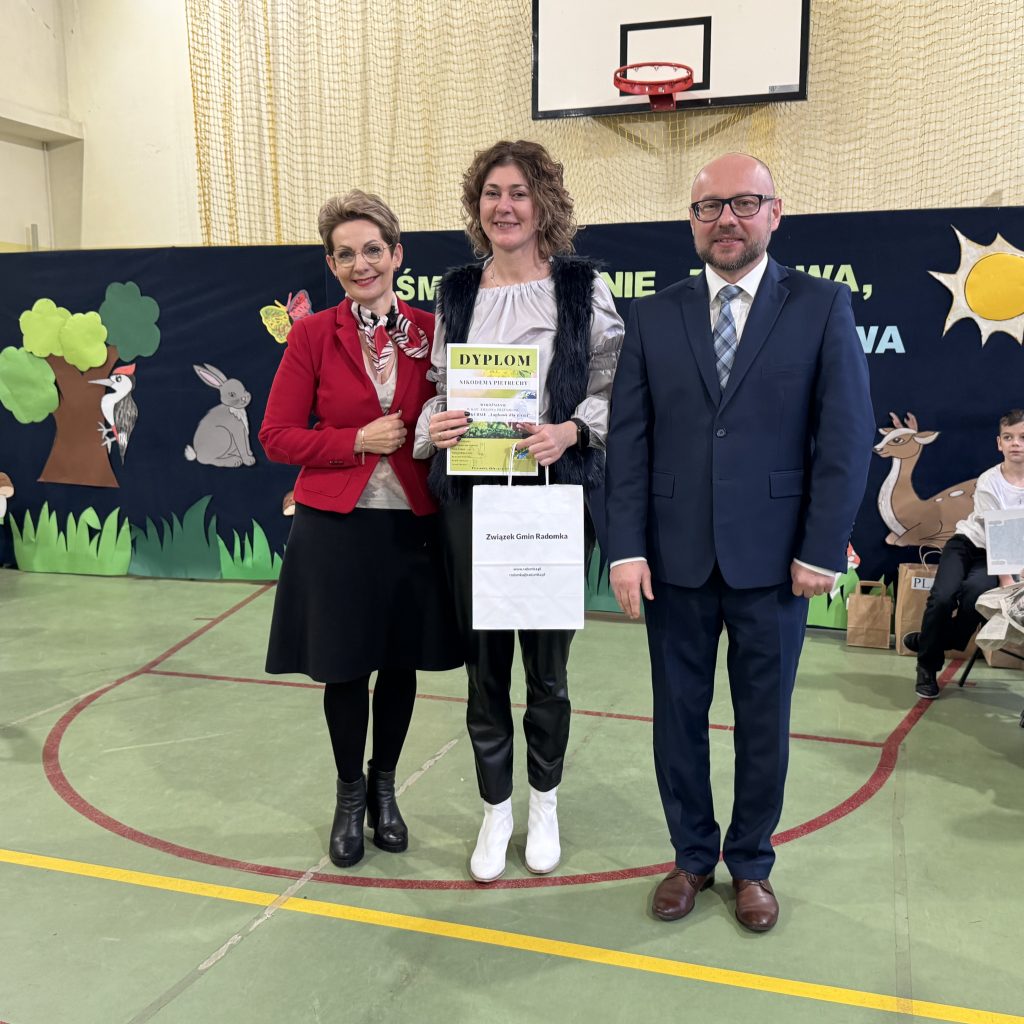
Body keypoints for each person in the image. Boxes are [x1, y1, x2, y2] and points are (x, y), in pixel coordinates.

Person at [605, 153, 874, 932]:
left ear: (774, 214)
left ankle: (751, 862)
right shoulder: (653, 316)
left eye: (744, 203)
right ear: (691, 221)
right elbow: (629, 442)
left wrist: (821, 548)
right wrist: (625, 548)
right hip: (674, 563)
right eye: (709, 207)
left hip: (777, 565)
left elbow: (845, 435)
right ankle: (691, 856)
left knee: (764, 724)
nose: (726, 219)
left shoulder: (821, 305)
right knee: (676, 719)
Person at [413, 140, 624, 883]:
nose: (504, 207)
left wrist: (571, 431)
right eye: (492, 193)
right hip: (472, 500)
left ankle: (545, 801)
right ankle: (495, 808)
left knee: (548, 668)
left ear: (544, 204)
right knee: (483, 666)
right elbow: (440, 388)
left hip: (553, 499)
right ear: (477, 206)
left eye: (519, 193)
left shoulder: (582, 287)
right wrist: (437, 424)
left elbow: (615, 385)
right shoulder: (456, 292)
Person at [260, 190, 461, 869]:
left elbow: (459, 415)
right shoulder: (313, 335)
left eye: (373, 250)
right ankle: (349, 797)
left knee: (399, 663)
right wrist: (355, 440)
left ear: (397, 254)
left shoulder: (435, 331)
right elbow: (276, 436)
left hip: (413, 525)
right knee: (344, 666)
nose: (361, 264)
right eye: (345, 255)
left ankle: (385, 788)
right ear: (331, 264)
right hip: (335, 528)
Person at [903, 410, 1024, 698]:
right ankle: (927, 667)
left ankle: (934, 640)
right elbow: (996, 532)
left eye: (1022, 437)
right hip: (968, 545)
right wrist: (1008, 581)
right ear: (999, 443)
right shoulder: (989, 481)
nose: (1016, 443)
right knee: (942, 597)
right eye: (1008, 437)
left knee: (975, 597)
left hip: (1004, 556)